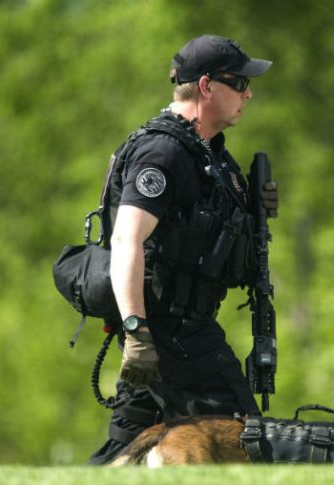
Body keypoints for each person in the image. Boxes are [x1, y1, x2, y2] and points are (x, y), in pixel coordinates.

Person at [88, 34, 278, 465]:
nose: (248, 93)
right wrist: (138, 331)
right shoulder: (164, 151)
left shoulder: (208, 154)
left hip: (174, 329)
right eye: (240, 83)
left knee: (125, 454)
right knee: (244, 444)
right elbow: (126, 238)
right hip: (170, 330)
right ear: (208, 86)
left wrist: (252, 212)